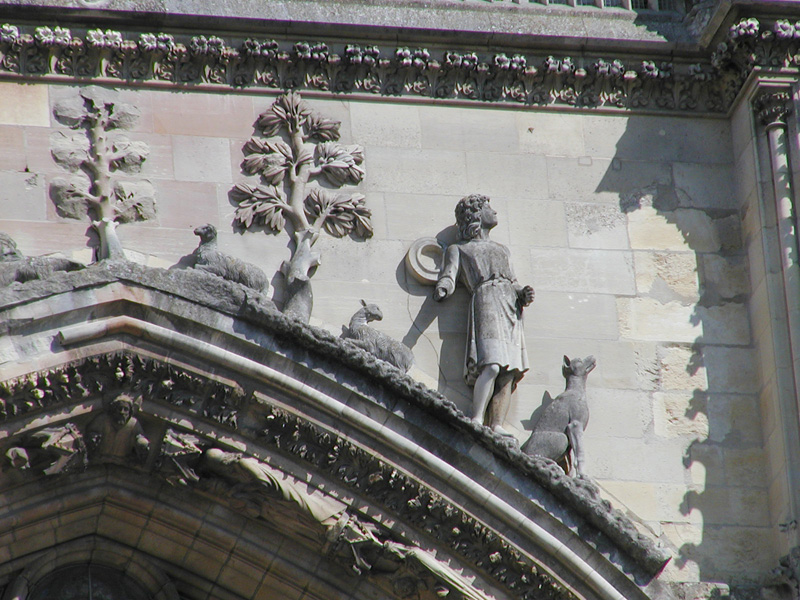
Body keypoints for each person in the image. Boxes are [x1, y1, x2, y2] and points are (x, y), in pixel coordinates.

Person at [434, 194, 534, 434]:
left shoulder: (502, 250)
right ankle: (477, 417)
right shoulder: (460, 249)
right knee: (492, 364)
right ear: (476, 214)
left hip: (510, 305)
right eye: (489, 207)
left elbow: (513, 280)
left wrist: (523, 293)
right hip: (486, 299)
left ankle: (497, 424)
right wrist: (443, 288)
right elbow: (449, 274)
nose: (495, 211)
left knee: (509, 373)